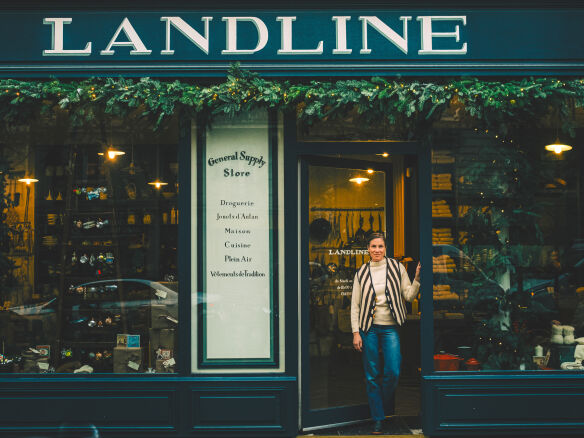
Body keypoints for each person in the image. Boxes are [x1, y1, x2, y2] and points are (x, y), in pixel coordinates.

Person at [351, 232, 421, 435]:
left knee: (393, 371)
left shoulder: (397, 267)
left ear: (385, 249)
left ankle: (379, 405)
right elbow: (355, 306)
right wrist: (356, 332)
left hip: (390, 327)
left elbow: (408, 295)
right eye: (373, 246)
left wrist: (416, 279)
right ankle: (378, 418)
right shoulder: (361, 272)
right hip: (369, 328)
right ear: (368, 249)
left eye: (380, 246)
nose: (377, 250)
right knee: (371, 375)